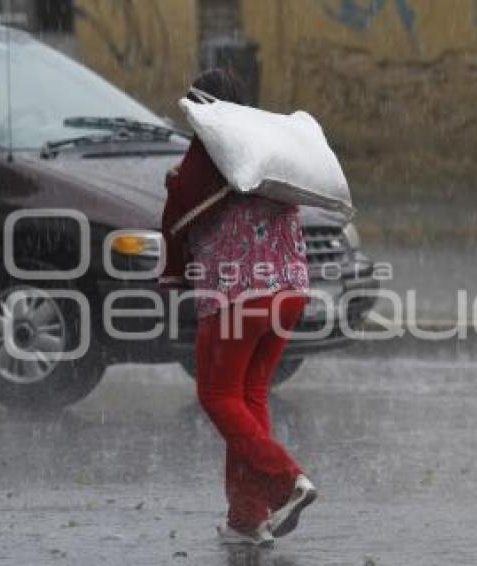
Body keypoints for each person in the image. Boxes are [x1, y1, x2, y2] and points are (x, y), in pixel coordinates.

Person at [160, 68, 317, 547]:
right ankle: (246, 520)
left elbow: (180, 218)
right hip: (289, 292)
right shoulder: (272, 147)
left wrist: (174, 186)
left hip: (239, 294)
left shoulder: (211, 152)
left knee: (217, 396)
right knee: (246, 400)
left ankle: (286, 481)